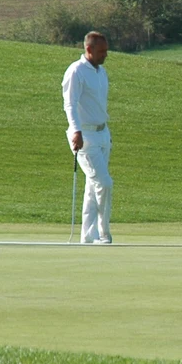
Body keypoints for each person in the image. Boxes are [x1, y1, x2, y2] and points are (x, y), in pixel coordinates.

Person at [63, 31, 113, 244]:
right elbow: (70, 103)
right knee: (104, 183)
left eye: (106, 51)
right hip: (84, 135)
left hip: (102, 133)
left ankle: (88, 235)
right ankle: (103, 234)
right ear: (88, 49)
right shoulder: (76, 71)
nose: (105, 55)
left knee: (94, 186)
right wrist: (76, 130)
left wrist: (106, 134)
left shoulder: (101, 72)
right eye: (101, 51)